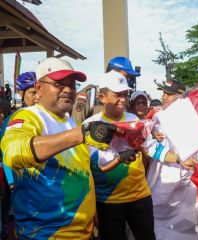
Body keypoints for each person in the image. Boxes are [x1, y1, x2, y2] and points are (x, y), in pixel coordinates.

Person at [0, 57, 121, 239]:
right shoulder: (28, 116)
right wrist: (80, 135)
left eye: (72, 85)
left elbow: (85, 170)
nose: (68, 90)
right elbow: (14, 152)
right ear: (39, 88)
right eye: (59, 84)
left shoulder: (71, 122)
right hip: (45, 234)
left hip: (82, 232)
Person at [83, 71, 155, 240]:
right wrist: (119, 159)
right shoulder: (90, 126)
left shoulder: (134, 120)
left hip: (140, 196)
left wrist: (179, 158)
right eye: (117, 95)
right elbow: (96, 168)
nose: (123, 99)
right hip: (108, 201)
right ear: (102, 97)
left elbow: (151, 148)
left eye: (125, 94)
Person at [146, 79, 198, 240]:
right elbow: (148, 144)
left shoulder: (193, 117)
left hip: (185, 179)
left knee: (185, 222)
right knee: (157, 217)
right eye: (163, 92)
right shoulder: (158, 117)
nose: (164, 97)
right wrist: (151, 135)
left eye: (169, 94)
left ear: (180, 96)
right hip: (161, 177)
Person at [0, 71, 38, 240]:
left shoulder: (47, 116)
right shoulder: (13, 119)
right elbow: (6, 153)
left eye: (39, 91)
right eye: (32, 92)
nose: (37, 96)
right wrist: (12, 182)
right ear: (21, 94)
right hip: (19, 182)